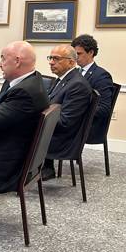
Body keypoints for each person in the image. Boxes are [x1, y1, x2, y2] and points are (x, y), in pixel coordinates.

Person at [0, 41, 49, 193]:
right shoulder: (31, 81)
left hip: (0, 163)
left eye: (3, 59)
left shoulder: (24, 92)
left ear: (17, 61)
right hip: (8, 148)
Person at [42, 45, 93, 180]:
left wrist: (35, 116)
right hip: (53, 132)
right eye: (50, 58)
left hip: (63, 139)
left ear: (71, 62)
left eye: (56, 59)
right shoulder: (63, 79)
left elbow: (65, 122)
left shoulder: (77, 85)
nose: (51, 62)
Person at [71, 34, 115, 144]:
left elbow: (104, 109)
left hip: (89, 126)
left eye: (79, 54)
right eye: (74, 54)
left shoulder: (101, 76)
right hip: (74, 120)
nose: (76, 58)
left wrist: (76, 110)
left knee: (49, 128)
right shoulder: (75, 72)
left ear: (91, 52)